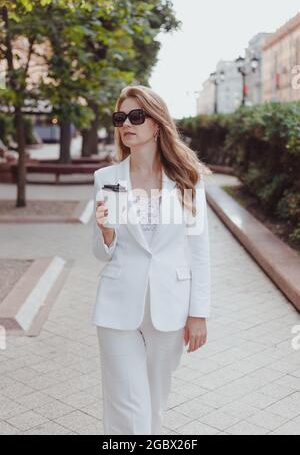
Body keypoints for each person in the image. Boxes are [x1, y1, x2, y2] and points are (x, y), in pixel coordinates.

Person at [91, 85, 212, 435]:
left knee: (154, 402)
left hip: (170, 307)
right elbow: (99, 253)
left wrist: (198, 313)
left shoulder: (186, 179)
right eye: (120, 118)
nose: (126, 124)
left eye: (136, 116)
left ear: (156, 123)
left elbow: (199, 250)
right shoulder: (105, 179)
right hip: (117, 306)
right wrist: (107, 234)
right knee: (128, 404)